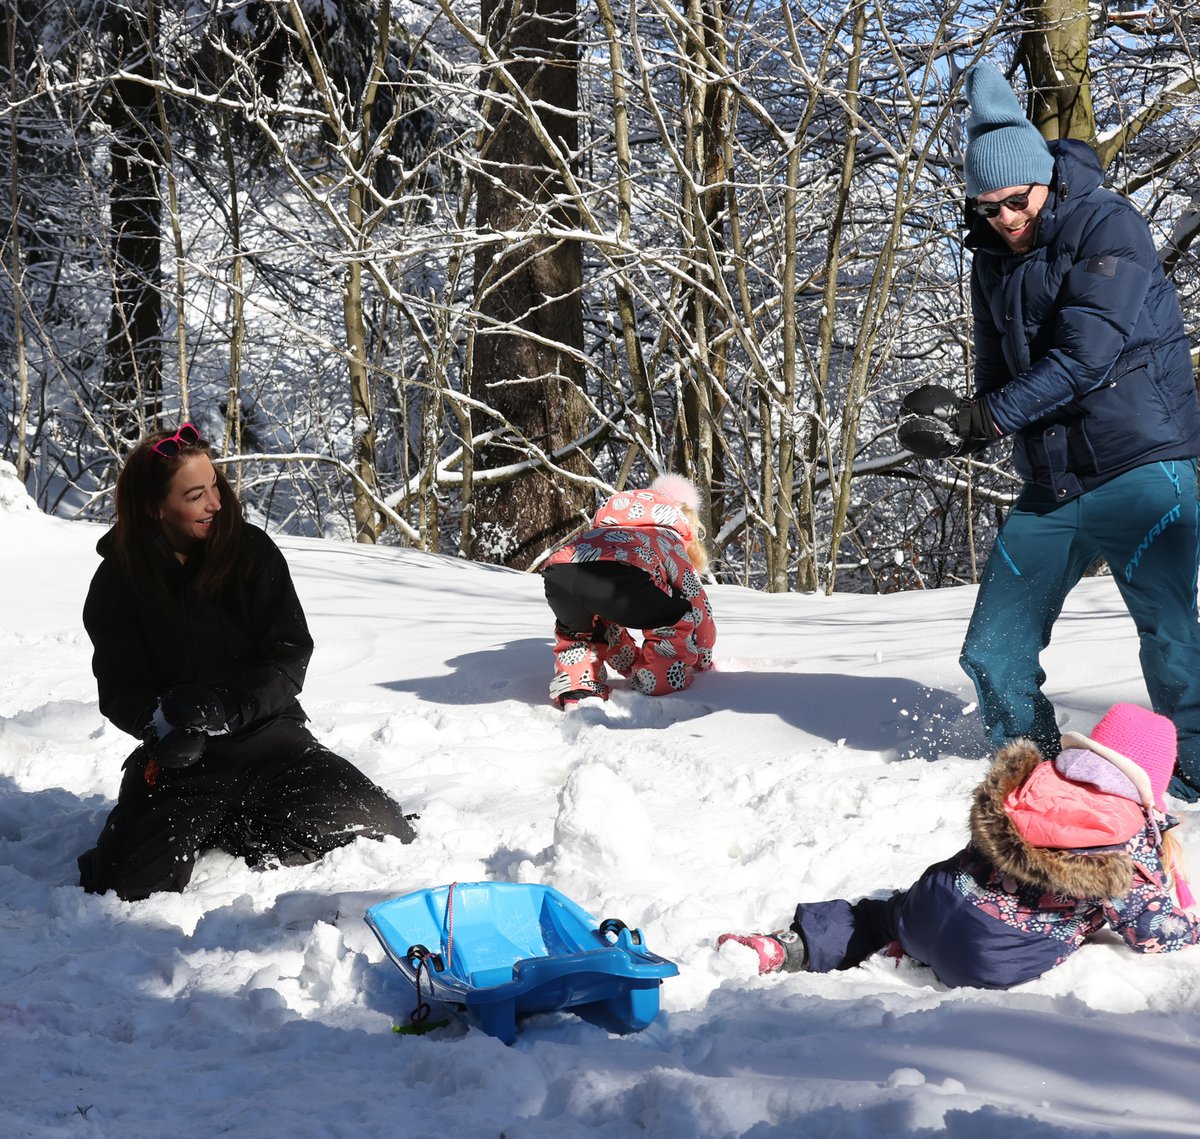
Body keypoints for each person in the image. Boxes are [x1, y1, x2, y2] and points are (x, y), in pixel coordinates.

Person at [896, 61, 1200, 800]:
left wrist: (985, 417)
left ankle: (1190, 776)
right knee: (993, 647)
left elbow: (1086, 356)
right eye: (986, 204)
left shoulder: (1108, 223)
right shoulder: (991, 257)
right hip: (1054, 479)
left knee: (1170, 638)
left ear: (1045, 180)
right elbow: (998, 364)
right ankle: (1029, 777)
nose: (1003, 217)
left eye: (1015, 200)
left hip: (1142, 464)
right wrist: (962, 420)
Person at [78, 423, 416, 902]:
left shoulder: (252, 552)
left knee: (386, 829)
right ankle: (206, 818)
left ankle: (234, 826)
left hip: (269, 740)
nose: (216, 502)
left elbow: (289, 656)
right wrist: (156, 728)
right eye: (196, 495)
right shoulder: (116, 582)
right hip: (182, 761)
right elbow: (119, 688)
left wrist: (229, 707)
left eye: (215, 485)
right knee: (124, 883)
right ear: (155, 508)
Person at [719, 703, 1200, 988]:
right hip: (993, 956)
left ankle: (787, 948)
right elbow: (1152, 931)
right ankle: (917, 954)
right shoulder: (1126, 838)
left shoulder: (1035, 785)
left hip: (932, 905)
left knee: (873, 913)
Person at [539, 474, 716, 707]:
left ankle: (577, 684)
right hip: (627, 574)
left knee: (579, 629)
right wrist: (704, 657)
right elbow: (697, 603)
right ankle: (658, 679)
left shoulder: (603, 530)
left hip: (561, 572)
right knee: (675, 617)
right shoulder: (666, 537)